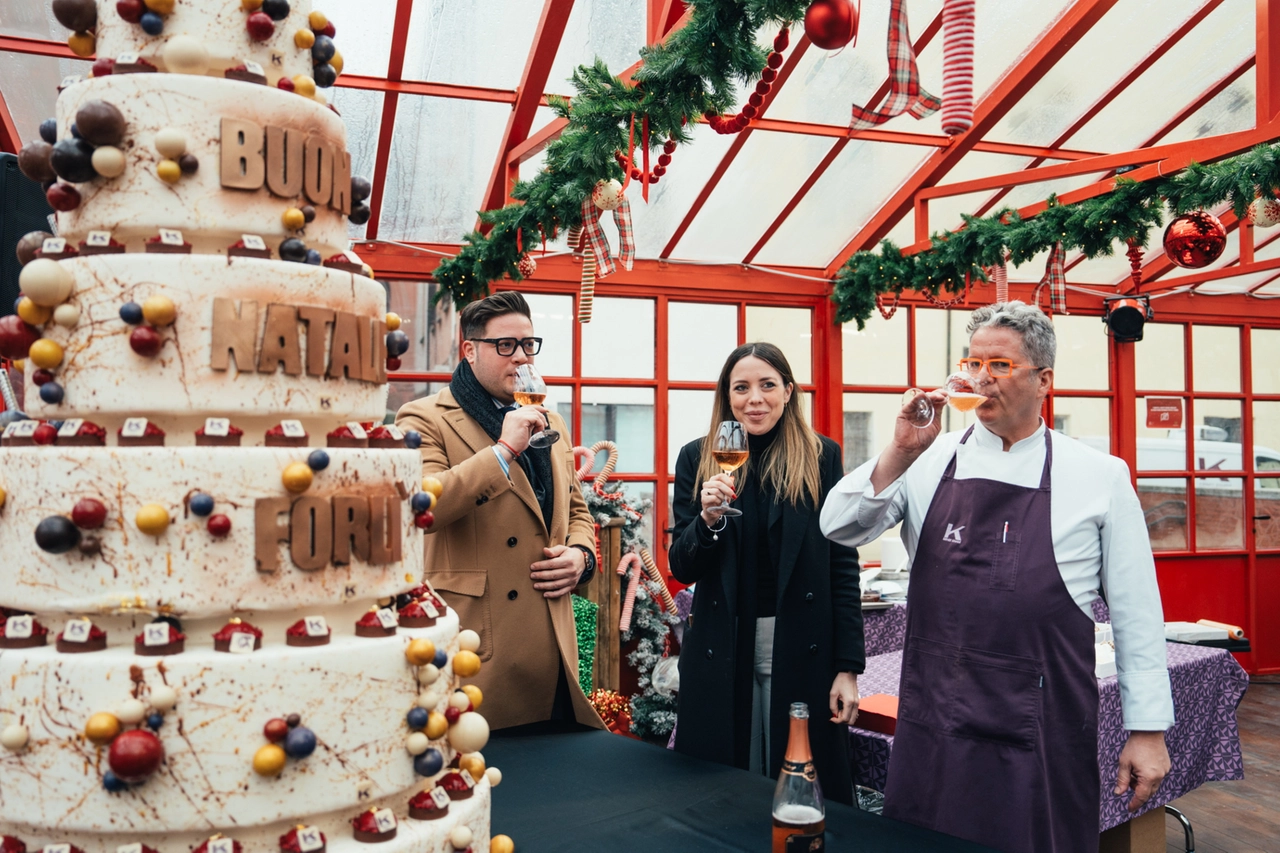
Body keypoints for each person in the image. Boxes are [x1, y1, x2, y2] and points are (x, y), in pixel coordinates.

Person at [821, 301, 1174, 852]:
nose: (980, 378)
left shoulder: (1099, 475)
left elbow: (1137, 614)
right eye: (973, 363)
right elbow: (838, 526)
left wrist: (1147, 731)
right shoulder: (928, 459)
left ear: (1044, 380)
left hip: (1040, 725)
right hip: (935, 717)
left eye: (1000, 366)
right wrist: (899, 449)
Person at [396, 291, 603, 732]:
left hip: (553, 645)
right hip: (481, 645)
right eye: (505, 346)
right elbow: (423, 508)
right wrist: (504, 450)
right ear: (469, 351)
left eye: (529, 344)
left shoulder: (551, 419)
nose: (521, 358)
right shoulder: (422, 418)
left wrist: (581, 558)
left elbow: (577, 510)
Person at [669, 342, 864, 805]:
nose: (754, 399)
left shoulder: (821, 457)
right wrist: (708, 521)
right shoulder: (699, 457)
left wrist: (848, 668)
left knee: (798, 783)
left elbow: (842, 562)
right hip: (724, 645)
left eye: (767, 385)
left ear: (788, 391)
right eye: (741, 388)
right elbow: (682, 564)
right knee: (725, 789)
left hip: (800, 644)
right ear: (727, 396)